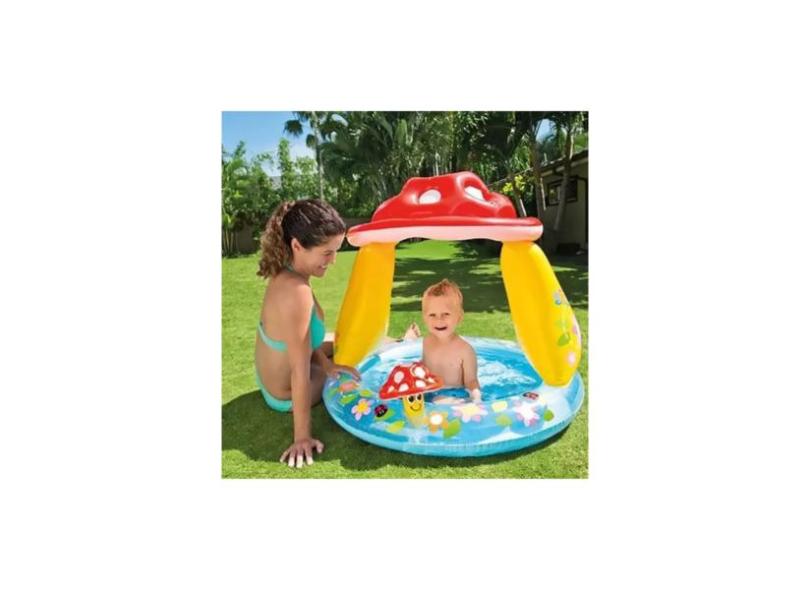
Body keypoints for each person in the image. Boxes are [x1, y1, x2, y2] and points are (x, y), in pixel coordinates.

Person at [255, 198, 360, 469]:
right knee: (358, 361)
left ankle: (396, 341)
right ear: (297, 246)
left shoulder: (287, 273)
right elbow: (299, 371)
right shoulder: (297, 292)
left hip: (271, 378)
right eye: (327, 253)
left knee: (345, 341)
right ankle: (399, 343)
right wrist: (302, 437)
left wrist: (327, 364)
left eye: (336, 251)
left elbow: (302, 341)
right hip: (285, 395)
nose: (333, 260)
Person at [419, 279, 482, 404]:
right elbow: (424, 368)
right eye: (432, 315)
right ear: (424, 318)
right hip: (429, 390)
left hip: (455, 394)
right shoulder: (427, 341)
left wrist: (476, 398)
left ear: (459, 317)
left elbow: (471, 381)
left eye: (446, 314)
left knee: (439, 400)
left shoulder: (465, 350)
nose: (439, 320)